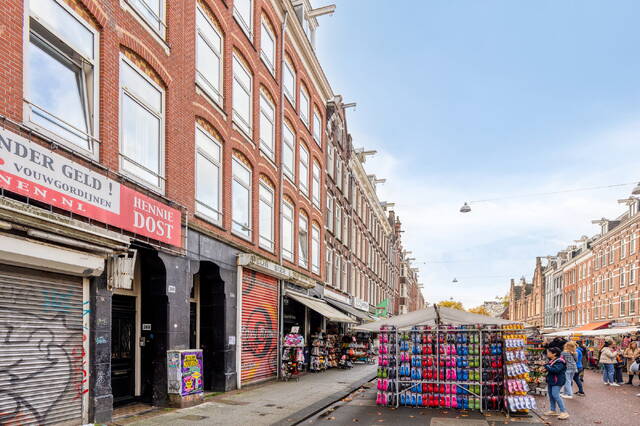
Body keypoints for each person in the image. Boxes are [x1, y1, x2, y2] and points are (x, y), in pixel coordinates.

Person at [543, 347, 569, 420]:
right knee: (551, 395)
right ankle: (553, 410)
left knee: (555, 395)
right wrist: (546, 368)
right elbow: (551, 369)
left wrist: (546, 366)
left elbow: (555, 370)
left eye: (549, 352)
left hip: (557, 381)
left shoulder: (560, 361)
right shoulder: (552, 360)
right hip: (551, 380)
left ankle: (564, 412)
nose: (547, 354)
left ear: (554, 354)